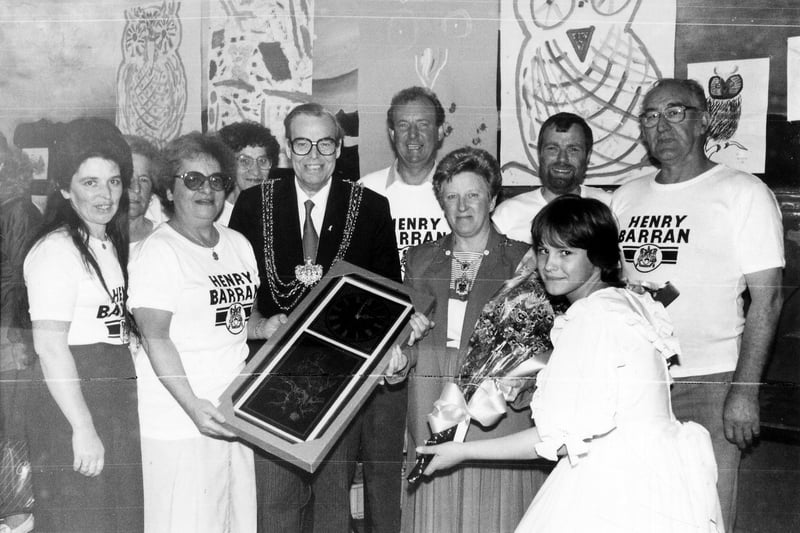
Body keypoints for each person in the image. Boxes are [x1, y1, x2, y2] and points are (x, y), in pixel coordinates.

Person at [420, 195, 725, 532]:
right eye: (543, 250)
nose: (549, 264)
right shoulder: (628, 301)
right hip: (661, 475)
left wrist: (463, 452)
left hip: (617, 484)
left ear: (597, 257)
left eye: (566, 253)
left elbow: (556, 439)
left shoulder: (592, 316)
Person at [610, 78, 785, 529]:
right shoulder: (625, 198)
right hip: (639, 382)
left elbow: (768, 299)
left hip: (713, 381)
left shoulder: (742, 192)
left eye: (675, 112)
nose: (661, 125)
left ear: (704, 119)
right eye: (650, 116)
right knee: (638, 510)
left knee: (705, 513)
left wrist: (744, 392)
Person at [229, 103, 402, 533]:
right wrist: (259, 326)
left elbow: (388, 296)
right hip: (271, 377)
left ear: (339, 147)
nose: (313, 154)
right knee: (276, 503)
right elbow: (238, 284)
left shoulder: (371, 207)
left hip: (339, 381)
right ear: (288, 149)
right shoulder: (254, 204)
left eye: (325, 143)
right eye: (302, 143)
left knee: (331, 507)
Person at [390, 147, 551, 533]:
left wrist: (520, 383)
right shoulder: (419, 259)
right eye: (451, 197)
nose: (462, 207)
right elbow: (412, 343)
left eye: (473, 195)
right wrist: (396, 361)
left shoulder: (524, 260)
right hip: (431, 404)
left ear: (493, 198)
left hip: (494, 410)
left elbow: (540, 349)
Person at [128, 132, 281, 532]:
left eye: (216, 181)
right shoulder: (159, 252)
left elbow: (239, 319)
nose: (206, 190)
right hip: (180, 419)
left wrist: (265, 326)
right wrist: (193, 405)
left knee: (235, 522)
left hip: (233, 411)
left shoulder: (237, 243)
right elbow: (155, 337)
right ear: (169, 187)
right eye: (192, 179)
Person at [22, 118, 143, 532]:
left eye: (113, 181)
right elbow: (50, 348)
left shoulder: (108, 242)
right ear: (64, 188)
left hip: (113, 393)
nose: (105, 195)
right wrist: (83, 427)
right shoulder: (56, 251)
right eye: (90, 182)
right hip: (74, 397)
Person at [360, 86, 450, 269]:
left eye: (423, 124)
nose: (413, 134)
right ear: (392, 134)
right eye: (403, 125)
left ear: (440, 131)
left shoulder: (458, 190)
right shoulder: (365, 190)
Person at [0, 136, 40, 533]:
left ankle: (16, 518)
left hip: (8, 336)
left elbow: (24, 281)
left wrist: (18, 343)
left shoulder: (16, 210)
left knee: (11, 430)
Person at [492, 112, 611, 244]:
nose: (562, 159)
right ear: (540, 154)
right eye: (552, 149)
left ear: (587, 156)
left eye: (573, 149)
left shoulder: (609, 207)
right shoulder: (507, 215)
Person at [217, 121, 281, 226]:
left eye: (263, 161)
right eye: (245, 161)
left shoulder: (276, 212)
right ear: (228, 164)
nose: (256, 171)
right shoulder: (215, 215)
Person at [124, 135, 160, 244]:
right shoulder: (96, 239)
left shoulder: (163, 237)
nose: (136, 188)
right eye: (128, 177)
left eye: (144, 180)